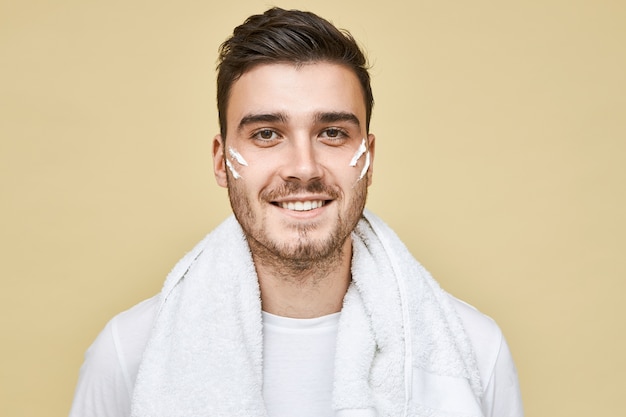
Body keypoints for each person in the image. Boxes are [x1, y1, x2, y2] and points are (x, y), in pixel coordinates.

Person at [69, 7, 523, 417]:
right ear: (220, 161)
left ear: (369, 156)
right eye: (267, 134)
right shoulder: (129, 354)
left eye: (332, 133)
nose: (303, 168)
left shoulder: (475, 353)